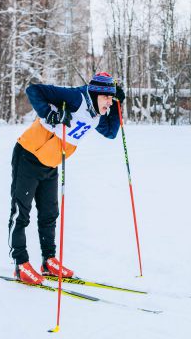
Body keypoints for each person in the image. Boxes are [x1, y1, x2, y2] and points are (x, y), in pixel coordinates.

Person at [8, 72, 124, 284]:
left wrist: (117, 107)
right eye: (108, 97)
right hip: (28, 155)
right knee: (20, 213)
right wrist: (48, 113)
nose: (110, 101)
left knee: (49, 214)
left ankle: (48, 261)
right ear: (97, 93)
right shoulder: (76, 98)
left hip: (51, 163)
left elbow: (110, 132)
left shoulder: (96, 114)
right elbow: (33, 90)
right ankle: (20, 263)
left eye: (112, 98)